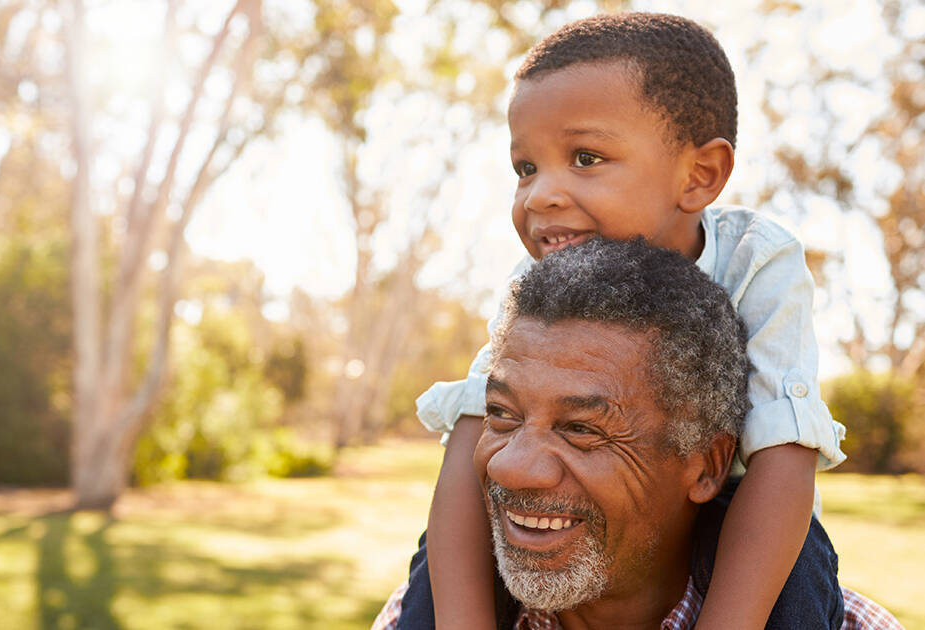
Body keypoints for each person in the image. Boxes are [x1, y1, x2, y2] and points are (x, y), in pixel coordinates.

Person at [399, 12, 848, 630]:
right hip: (578, 538)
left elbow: (784, 449)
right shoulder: (537, 290)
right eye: (525, 168)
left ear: (700, 175)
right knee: (443, 553)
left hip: (740, 524)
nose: (539, 196)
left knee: (800, 561)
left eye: (585, 157)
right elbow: (473, 431)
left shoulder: (755, 258)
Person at [376, 238, 898, 630]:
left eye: (581, 428)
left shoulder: (847, 622)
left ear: (707, 466)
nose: (510, 466)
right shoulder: (414, 613)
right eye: (502, 415)